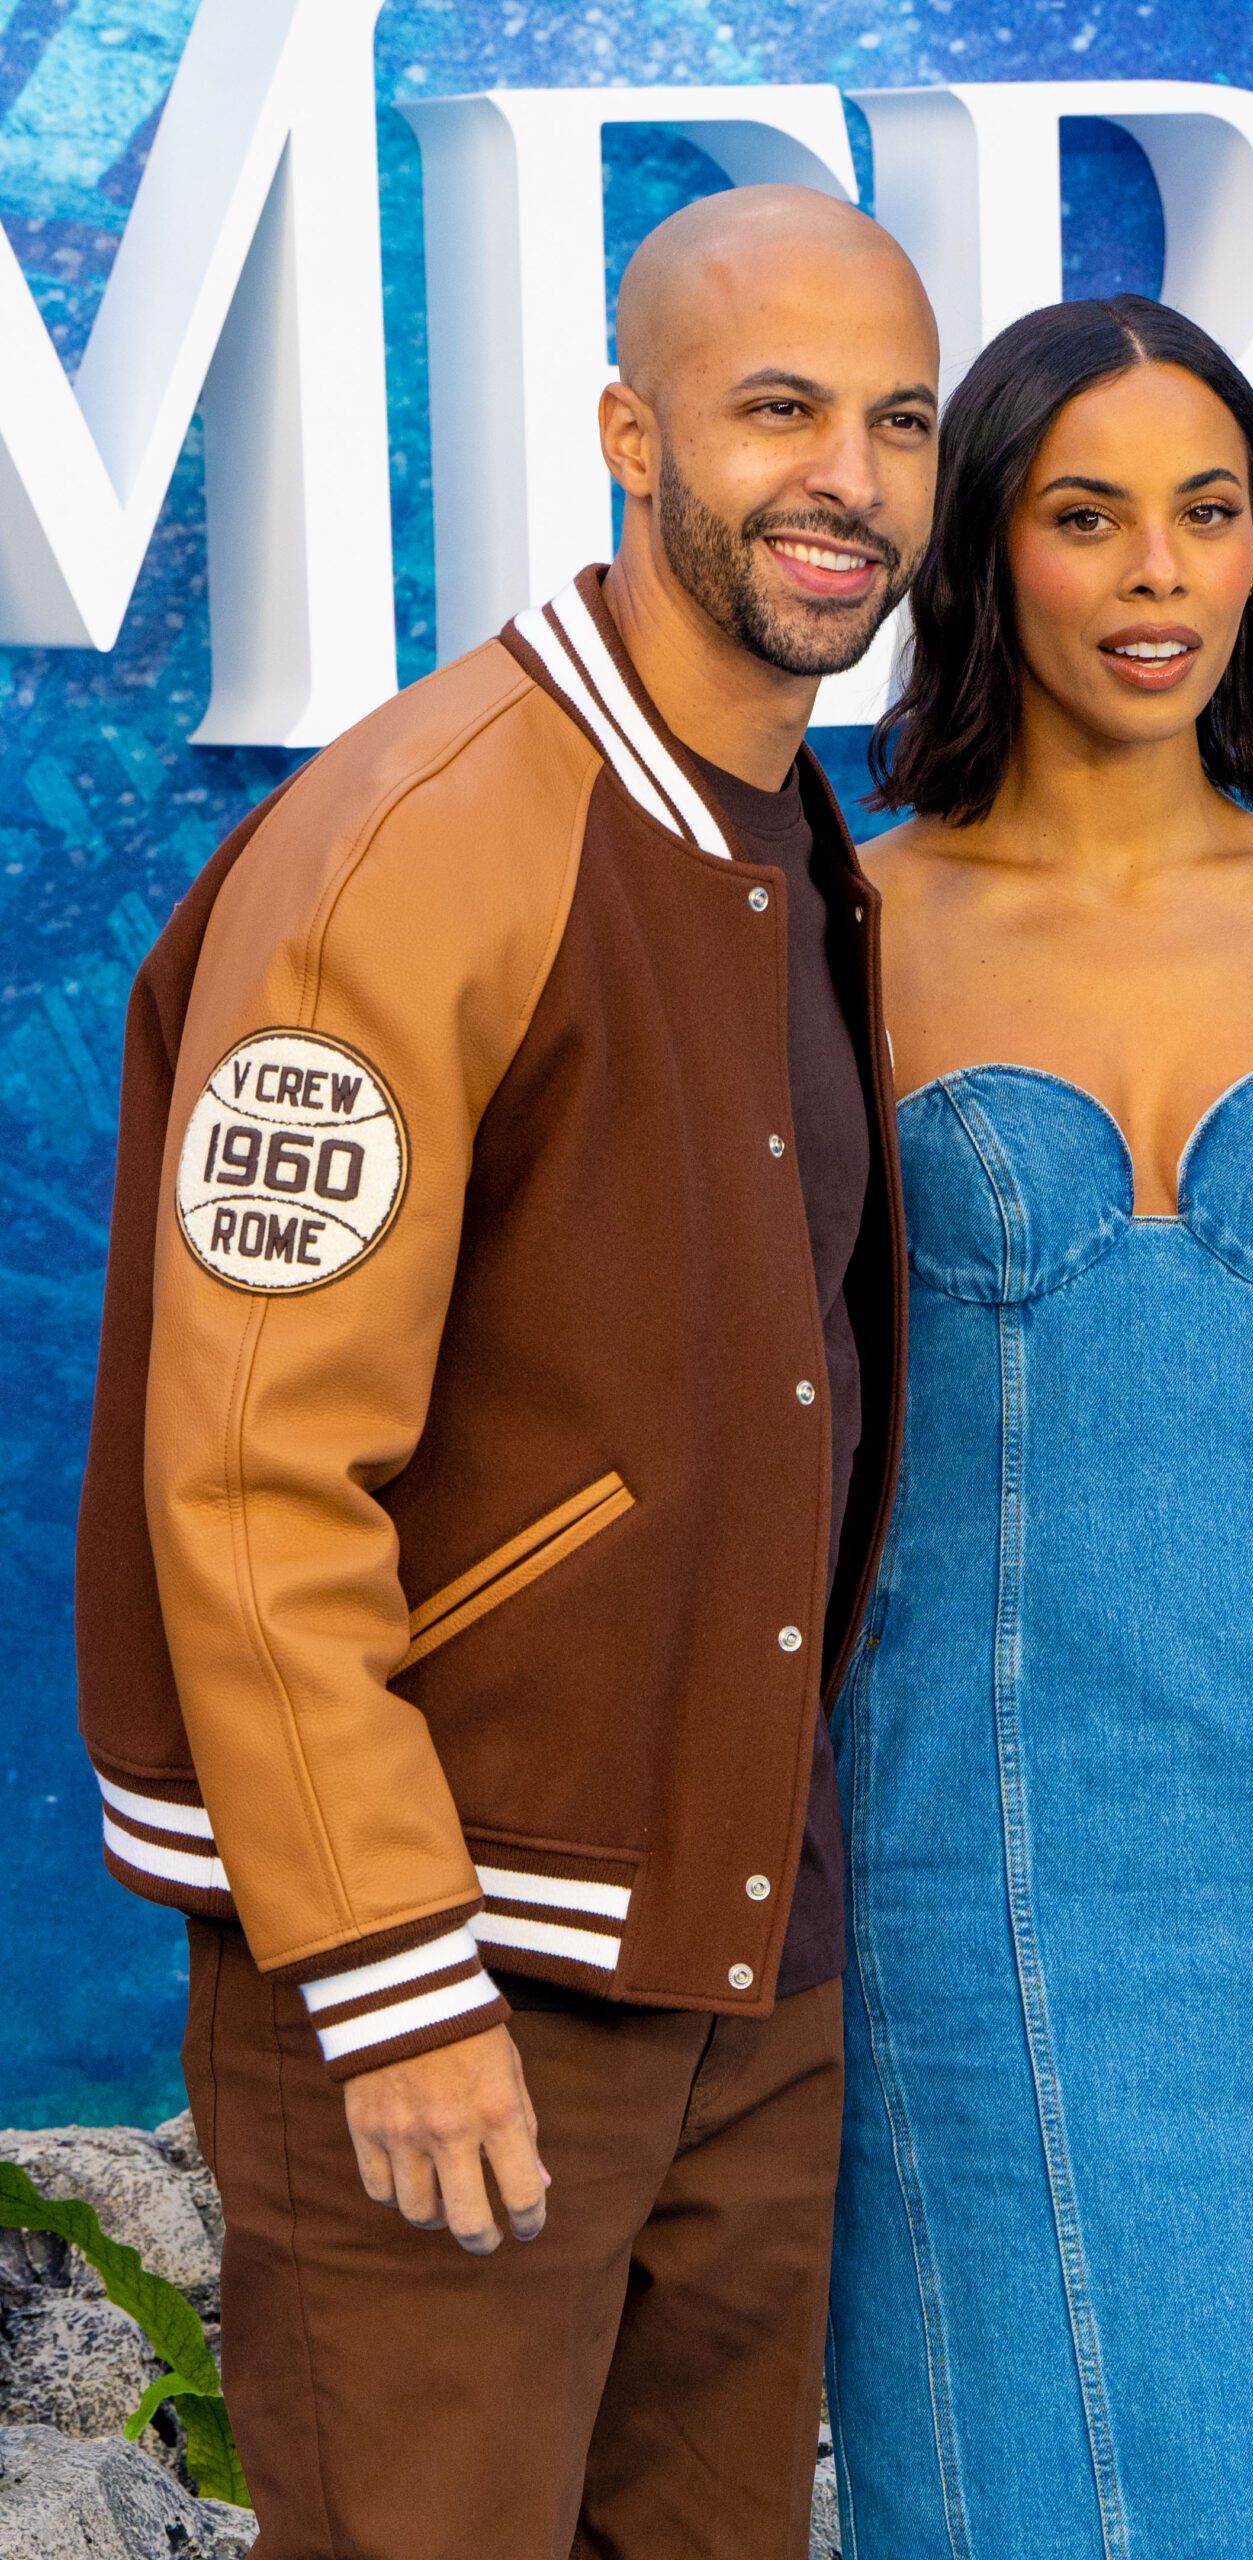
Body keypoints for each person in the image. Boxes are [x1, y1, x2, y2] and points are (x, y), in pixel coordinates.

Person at [74, 184, 938, 2558]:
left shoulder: (770, 831)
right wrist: (388, 1976)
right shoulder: (426, 842)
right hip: (463, 1968)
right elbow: (250, 1473)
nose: (841, 477)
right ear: (624, 432)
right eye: (775, 409)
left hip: (726, 1966)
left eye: (894, 419)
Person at [825, 295, 1253, 2559]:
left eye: (1205, 513)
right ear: (979, 556)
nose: (1154, 573)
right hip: (966, 1803)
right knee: (996, 2415)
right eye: (1086, 515)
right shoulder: (844, 921)